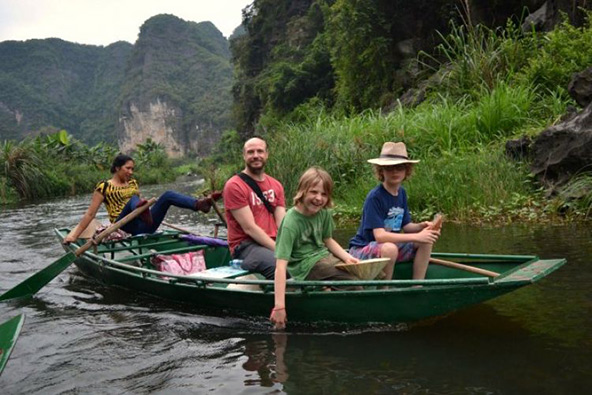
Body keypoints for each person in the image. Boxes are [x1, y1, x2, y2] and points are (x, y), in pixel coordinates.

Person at [270, 167, 360, 330]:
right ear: (302, 192)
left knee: (360, 272)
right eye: (313, 192)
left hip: (322, 257)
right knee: (354, 283)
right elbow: (280, 266)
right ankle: (345, 314)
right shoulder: (291, 222)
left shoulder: (323, 213)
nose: (318, 198)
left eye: (324, 194)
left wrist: (347, 258)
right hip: (304, 266)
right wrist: (279, 307)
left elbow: (327, 239)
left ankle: (328, 290)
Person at [64, 154, 220, 243]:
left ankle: (200, 205)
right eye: (128, 168)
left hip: (144, 225)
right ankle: (143, 211)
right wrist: (73, 235)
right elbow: (90, 214)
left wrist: (144, 208)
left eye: (133, 168)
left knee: (167, 196)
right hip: (122, 226)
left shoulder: (132, 183)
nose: (131, 172)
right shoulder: (103, 187)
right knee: (133, 199)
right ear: (117, 168)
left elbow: (139, 201)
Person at [348, 141, 440, 281]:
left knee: (426, 241)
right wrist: (416, 236)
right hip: (363, 250)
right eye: (390, 168)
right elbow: (380, 236)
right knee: (390, 248)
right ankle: (385, 288)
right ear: (382, 171)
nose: (395, 172)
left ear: (406, 171)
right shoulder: (375, 197)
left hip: (389, 247)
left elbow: (407, 227)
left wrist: (422, 227)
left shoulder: (401, 193)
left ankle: (418, 284)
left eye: (399, 167)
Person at [223, 137, 286, 279]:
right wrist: (280, 251)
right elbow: (250, 228)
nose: (256, 155)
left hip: (274, 242)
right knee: (281, 267)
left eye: (260, 151)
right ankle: (279, 299)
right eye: (251, 152)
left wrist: (291, 246)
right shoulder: (234, 186)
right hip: (246, 247)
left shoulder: (276, 185)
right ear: (244, 156)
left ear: (266, 154)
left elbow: (283, 224)